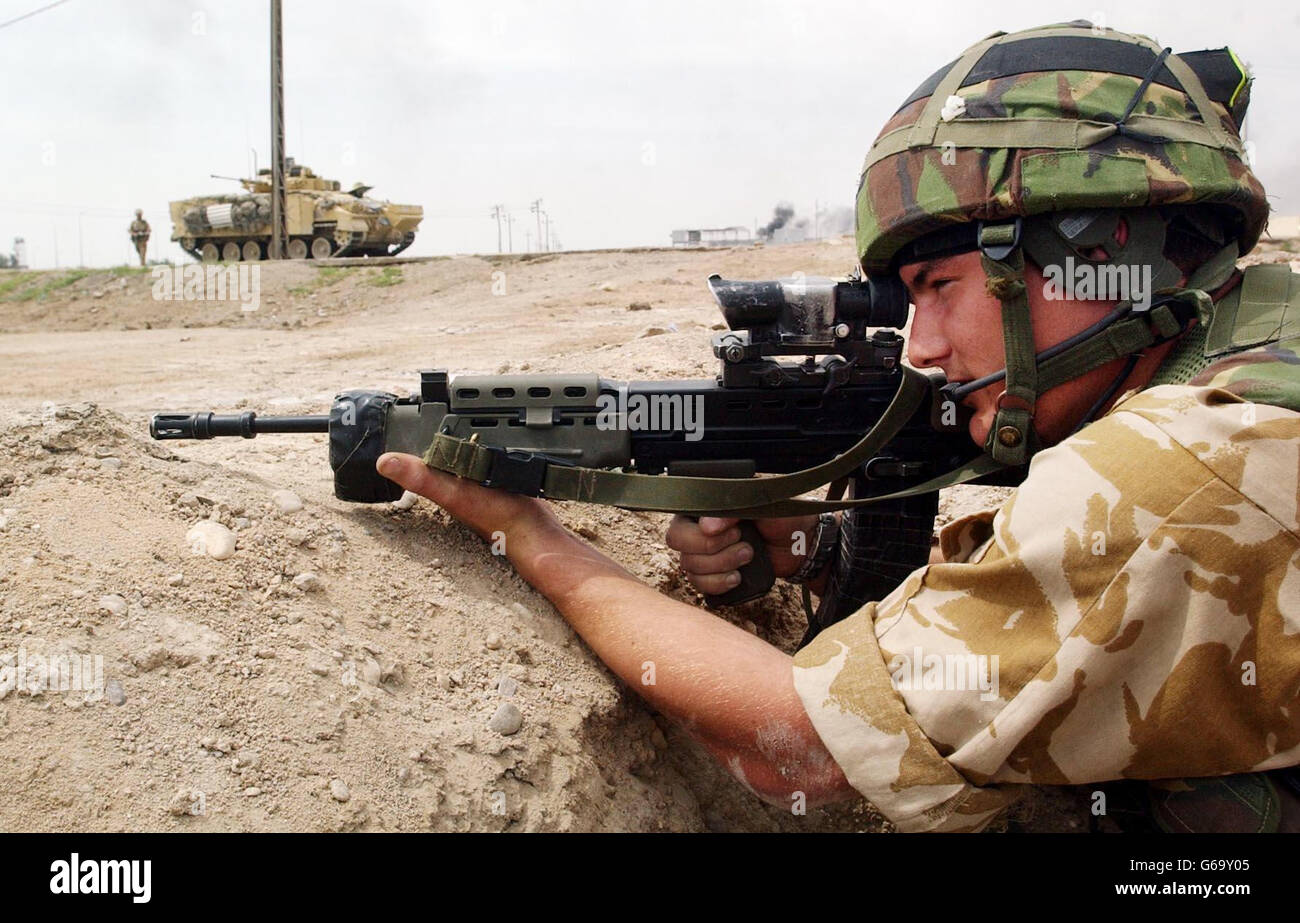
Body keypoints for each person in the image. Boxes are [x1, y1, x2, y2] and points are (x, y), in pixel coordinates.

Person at [375, 22, 1300, 832]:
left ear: (1098, 254)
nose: (923, 349)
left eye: (939, 288)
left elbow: (801, 752)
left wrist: (530, 535)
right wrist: (821, 551)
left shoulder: (1190, 461)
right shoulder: (1255, 336)